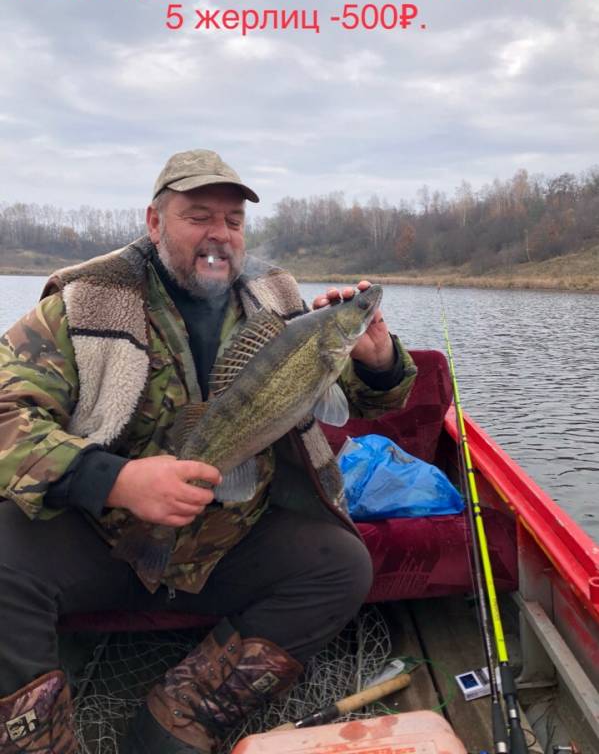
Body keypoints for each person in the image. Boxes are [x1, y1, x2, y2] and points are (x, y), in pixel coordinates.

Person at [0, 149, 417, 754]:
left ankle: (180, 718)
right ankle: (36, 737)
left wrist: (378, 363)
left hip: (229, 542)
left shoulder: (278, 300)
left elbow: (352, 401)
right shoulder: (82, 301)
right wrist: (113, 480)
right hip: (100, 535)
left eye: (233, 221)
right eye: (198, 216)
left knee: (341, 565)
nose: (219, 234)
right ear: (154, 222)